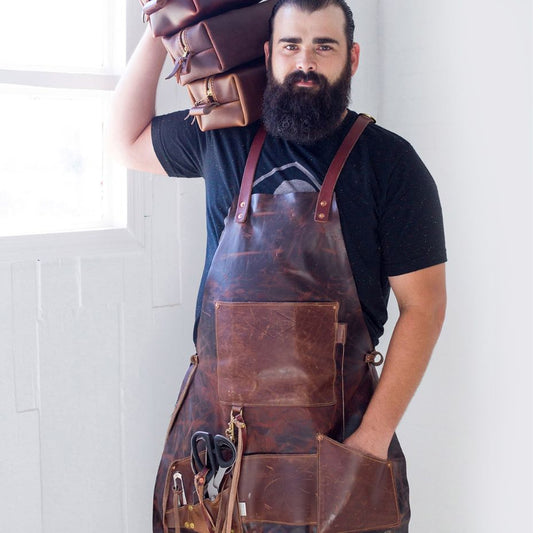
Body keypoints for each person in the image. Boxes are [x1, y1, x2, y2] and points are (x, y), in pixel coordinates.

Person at [108, 0, 447, 531]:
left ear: (351, 58)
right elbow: (123, 141)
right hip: (217, 446)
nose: (305, 61)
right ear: (268, 55)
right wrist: (162, 27)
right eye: (291, 45)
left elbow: (424, 307)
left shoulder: (392, 164)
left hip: (335, 448)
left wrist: (372, 440)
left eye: (324, 46)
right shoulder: (221, 135)